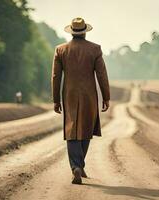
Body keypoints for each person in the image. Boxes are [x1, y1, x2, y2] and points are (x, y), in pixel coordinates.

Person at [51, 17, 110, 184]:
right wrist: (106, 97)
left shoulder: (60, 50)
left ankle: (76, 166)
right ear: (84, 31)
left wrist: (56, 100)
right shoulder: (95, 49)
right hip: (89, 96)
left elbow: (56, 76)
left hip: (69, 95)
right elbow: (102, 75)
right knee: (86, 129)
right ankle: (79, 164)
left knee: (72, 131)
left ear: (71, 31)